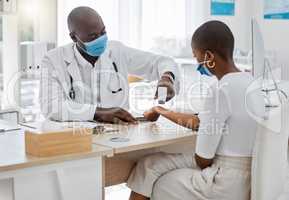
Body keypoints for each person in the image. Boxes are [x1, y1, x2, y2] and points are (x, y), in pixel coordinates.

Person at [127, 21, 265, 200]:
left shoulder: (220, 90)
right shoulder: (250, 83)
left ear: (208, 56)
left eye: (196, 57)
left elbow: (203, 160)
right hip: (248, 178)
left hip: (223, 182)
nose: (198, 64)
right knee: (150, 164)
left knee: (158, 179)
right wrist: (161, 110)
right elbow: (202, 121)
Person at [39, 6, 179, 123]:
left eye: (103, 32)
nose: (101, 39)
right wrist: (97, 113)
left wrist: (167, 78)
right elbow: (51, 107)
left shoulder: (117, 51)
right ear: (74, 37)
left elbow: (162, 62)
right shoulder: (53, 60)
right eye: (93, 36)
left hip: (120, 133)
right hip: (77, 138)